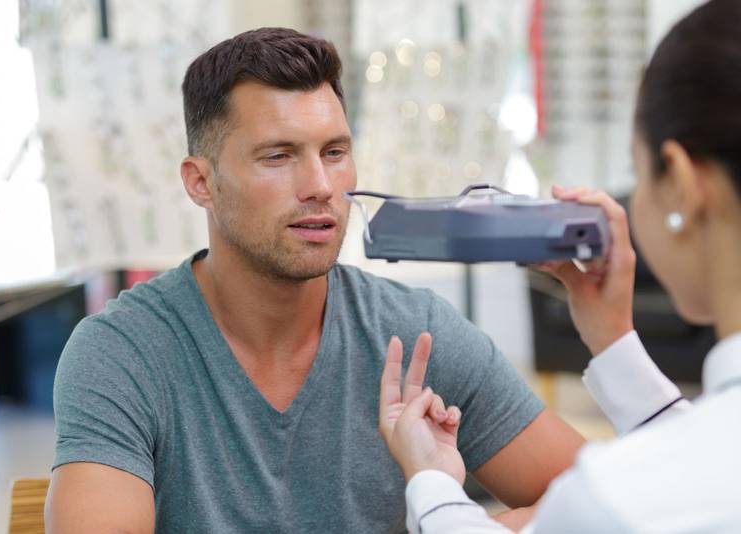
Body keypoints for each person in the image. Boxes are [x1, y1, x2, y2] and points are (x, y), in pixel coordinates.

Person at [44, 28, 586, 533]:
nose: (321, 185)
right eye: (278, 156)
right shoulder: (123, 353)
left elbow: (602, 502)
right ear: (201, 182)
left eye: (334, 152)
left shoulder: (416, 333)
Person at [379, 0, 741, 532]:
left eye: (636, 171)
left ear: (682, 187)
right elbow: (702, 454)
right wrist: (613, 339)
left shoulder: (611, 500)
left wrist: (431, 481)